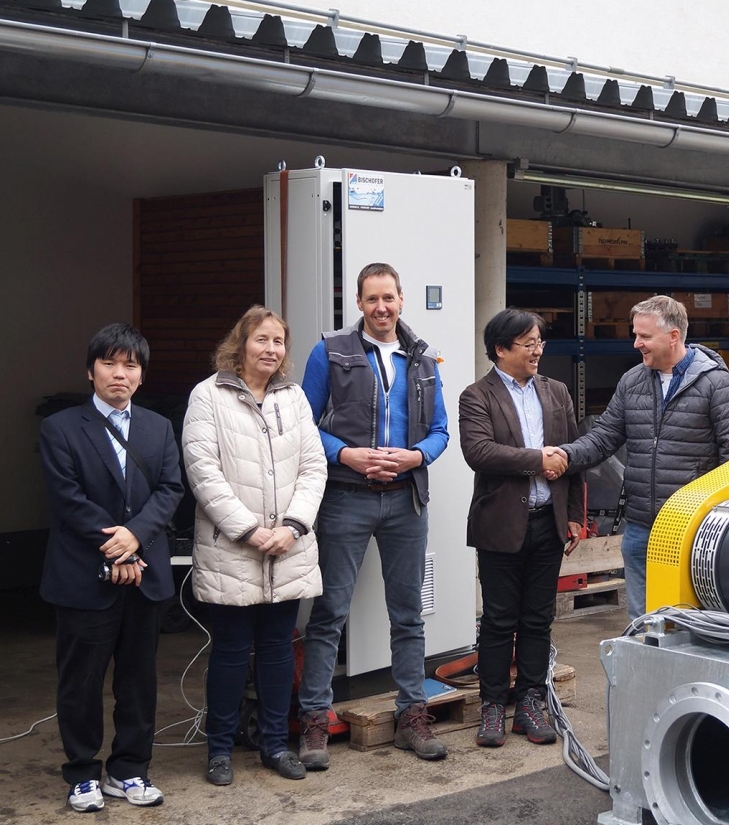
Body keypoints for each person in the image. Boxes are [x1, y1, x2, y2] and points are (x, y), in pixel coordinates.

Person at [296, 262, 451, 767]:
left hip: (406, 499)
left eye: (389, 298)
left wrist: (416, 456)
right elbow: (303, 423)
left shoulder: (423, 360)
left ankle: (412, 717)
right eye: (371, 300)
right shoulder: (331, 352)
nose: (381, 308)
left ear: (401, 299)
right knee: (329, 614)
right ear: (358, 305)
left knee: (408, 615)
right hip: (346, 497)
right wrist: (345, 454)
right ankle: (314, 724)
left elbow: (441, 432)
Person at [38, 323, 184, 812]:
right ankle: (82, 773)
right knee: (80, 681)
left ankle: (129, 770)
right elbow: (67, 500)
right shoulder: (59, 428)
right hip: (83, 573)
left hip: (145, 576)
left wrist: (135, 538)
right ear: (90, 370)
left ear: (141, 376)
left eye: (131, 365)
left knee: (139, 679)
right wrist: (118, 547)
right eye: (109, 363)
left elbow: (170, 490)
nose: (119, 374)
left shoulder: (158, 427)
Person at [181, 306, 327, 786]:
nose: (271, 349)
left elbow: (313, 467)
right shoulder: (208, 396)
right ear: (240, 344)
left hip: (287, 548)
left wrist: (294, 525)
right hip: (233, 549)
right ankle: (219, 750)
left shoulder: (295, 398)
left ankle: (273, 745)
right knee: (229, 651)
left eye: (279, 342)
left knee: (277, 650)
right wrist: (248, 529)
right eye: (261, 340)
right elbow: (203, 471)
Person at [552, 295, 729, 621]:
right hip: (641, 527)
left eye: (644, 336)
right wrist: (564, 455)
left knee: (689, 622)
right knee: (642, 622)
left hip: (691, 529)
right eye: (635, 334)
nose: (636, 344)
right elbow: (604, 438)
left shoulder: (717, 384)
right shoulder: (633, 382)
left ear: (673, 336)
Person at [458, 309, 585, 748]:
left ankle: (530, 701)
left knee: (538, 618)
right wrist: (538, 460)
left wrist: (574, 515)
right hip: (501, 525)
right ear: (501, 349)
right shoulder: (477, 396)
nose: (537, 351)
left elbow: (575, 454)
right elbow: (480, 451)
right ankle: (493, 704)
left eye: (539, 343)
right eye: (528, 344)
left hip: (548, 523)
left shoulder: (556, 392)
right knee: (498, 619)